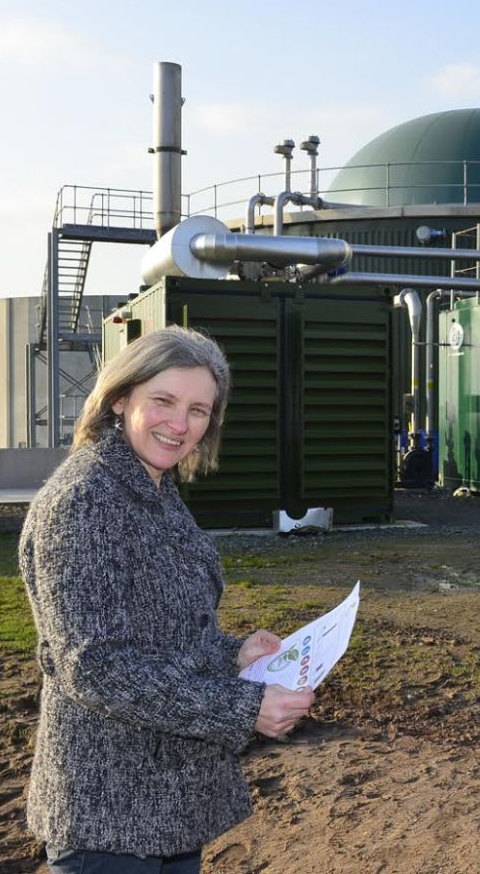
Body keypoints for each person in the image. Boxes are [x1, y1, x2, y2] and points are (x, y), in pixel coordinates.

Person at [19, 325, 315, 874]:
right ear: (119, 399)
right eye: (163, 401)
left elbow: (164, 631)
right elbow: (96, 666)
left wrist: (234, 655)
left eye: (199, 410)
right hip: (108, 816)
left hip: (169, 800)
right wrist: (245, 706)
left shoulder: (154, 488)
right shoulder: (84, 501)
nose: (180, 425)